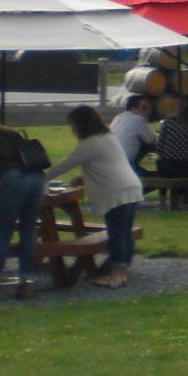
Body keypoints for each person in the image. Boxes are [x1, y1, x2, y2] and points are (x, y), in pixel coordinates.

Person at [46, 105, 143, 290]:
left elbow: (63, 165)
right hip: (131, 187)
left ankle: (115, 276)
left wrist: (39, 179)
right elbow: (108, 164)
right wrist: (84, 177)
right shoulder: (108, 137)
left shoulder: (88, 144)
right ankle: (121, 273)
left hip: (116, 192)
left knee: (116, 234)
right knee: (124, 232)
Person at [0, 106, 44, 294]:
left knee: (5, 231)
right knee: (28, 231)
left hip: (12, 179)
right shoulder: (11, 133)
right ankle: (25, 280)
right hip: (36, 177)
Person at [155, 95, 188, 180]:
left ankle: (164, 192)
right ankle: (185, 192)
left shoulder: (169, 122)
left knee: (162, 163)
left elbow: (160, 146)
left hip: (169, 167)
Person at [110, 92, 157, 170]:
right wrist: (157, 136)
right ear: (133, 108)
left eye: (149, 108)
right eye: (144, 108)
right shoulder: (138, 119)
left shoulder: (118, 117)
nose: (148, 111)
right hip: (124, 164)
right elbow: (150, 140)